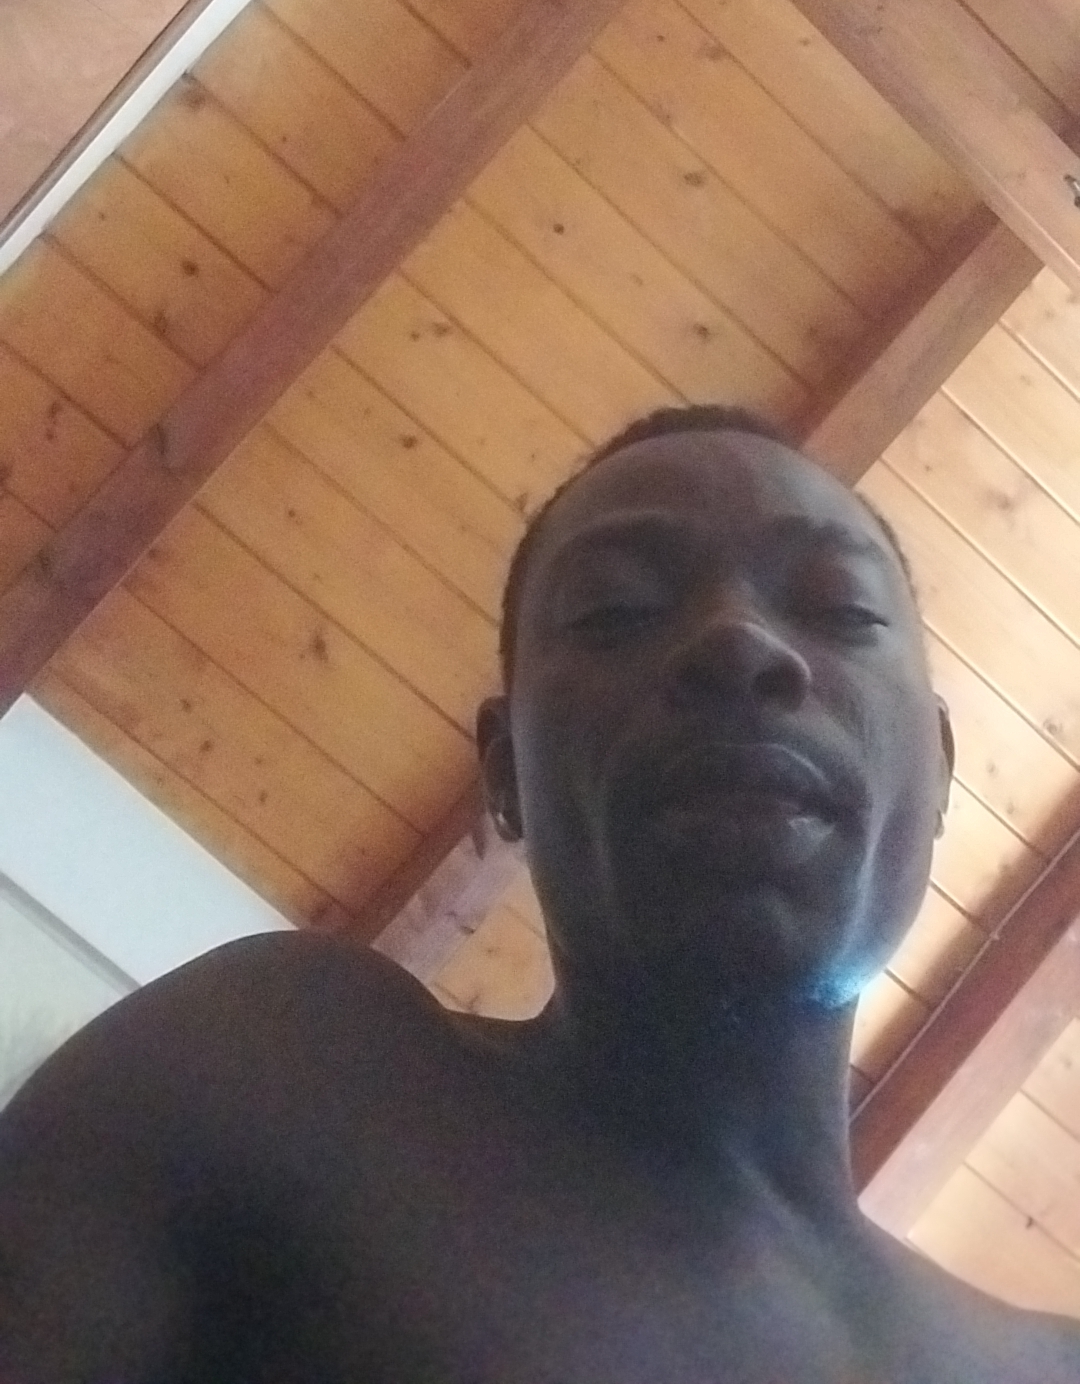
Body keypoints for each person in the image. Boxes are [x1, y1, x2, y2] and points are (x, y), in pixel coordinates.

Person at [1, 404, 1077, 1382]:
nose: (737, 641)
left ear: (940, 766)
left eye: (839, 608)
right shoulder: (287, 1071)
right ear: (506, 771)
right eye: (616, 611)